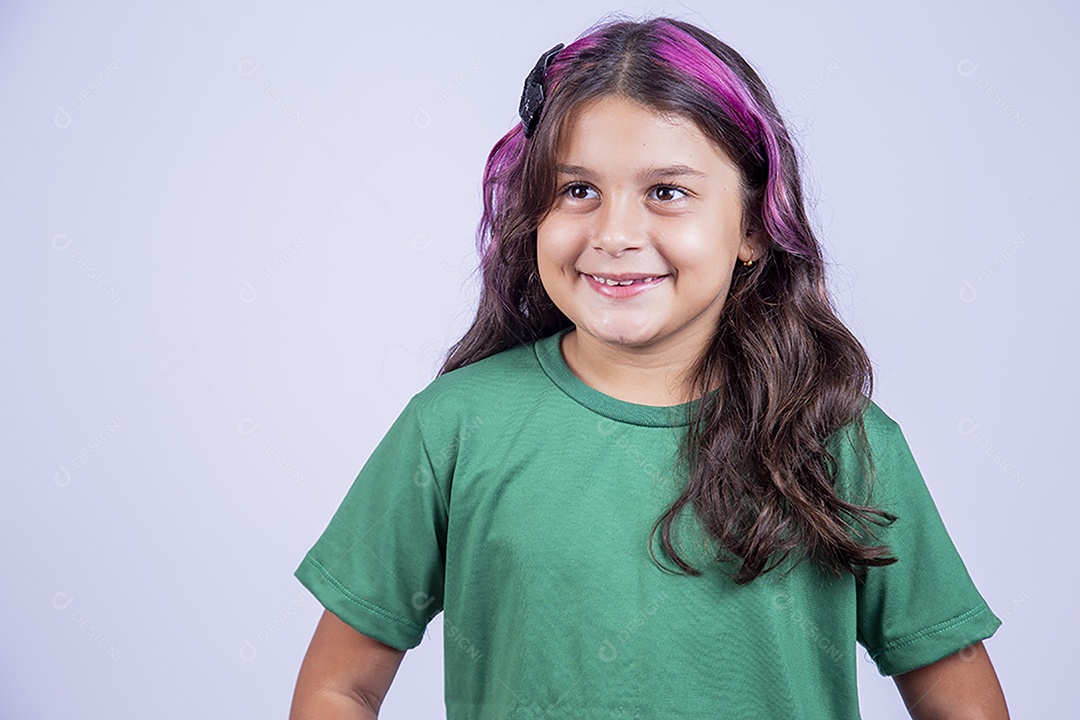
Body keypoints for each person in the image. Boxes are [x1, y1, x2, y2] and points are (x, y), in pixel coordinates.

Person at [289, 14, 1009, 720]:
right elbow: (339, 688)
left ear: (755, 224)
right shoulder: (451, 427)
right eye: (578, 190)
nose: (615, 234)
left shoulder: (842, 440)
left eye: (666, 192)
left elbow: (960, 696)